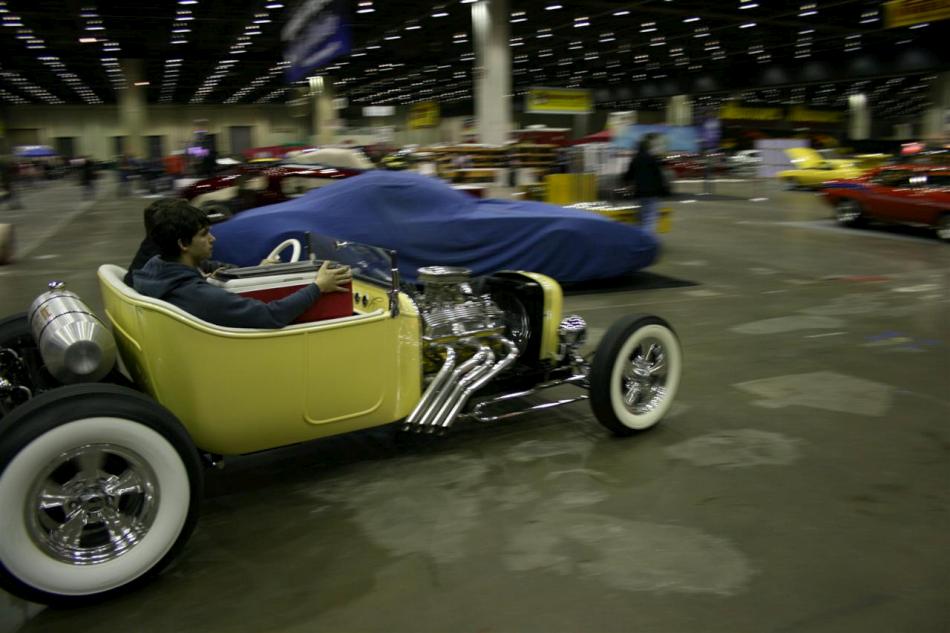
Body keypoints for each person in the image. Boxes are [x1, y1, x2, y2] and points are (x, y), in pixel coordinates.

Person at [133, 199, 351, 328]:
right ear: (183, 244)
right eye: (204, 234)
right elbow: (272, 316)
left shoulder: (157, 268)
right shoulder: (196, 293)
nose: (213, 239)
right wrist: (318, 287)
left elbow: (214, 269)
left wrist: (258, 271)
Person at [621, 133, 670, 233]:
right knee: (650, 218)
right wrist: (664, 189)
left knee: (642, 217)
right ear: (647, 148)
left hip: (640, 193)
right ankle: (646, 238)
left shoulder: (635, 159)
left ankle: (641, 236)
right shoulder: (652, 159)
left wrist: (625, 183)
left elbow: (629, 175)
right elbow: (659, 175)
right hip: (652, 193)